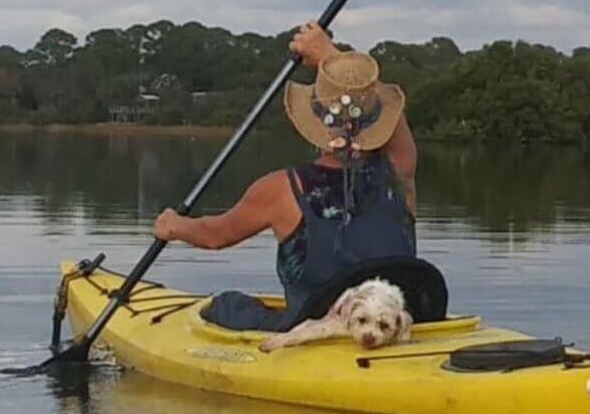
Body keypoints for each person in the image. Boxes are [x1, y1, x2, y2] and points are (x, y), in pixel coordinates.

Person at [152, 22, 417, 331]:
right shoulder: (400, 170)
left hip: (312, 332)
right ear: (376, 125)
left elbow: (215, 235)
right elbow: (379, 102)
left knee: (225, 304)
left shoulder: (281, 189)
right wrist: (329, 56)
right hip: (396, 325)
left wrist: (175, 226)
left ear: (313, 126)